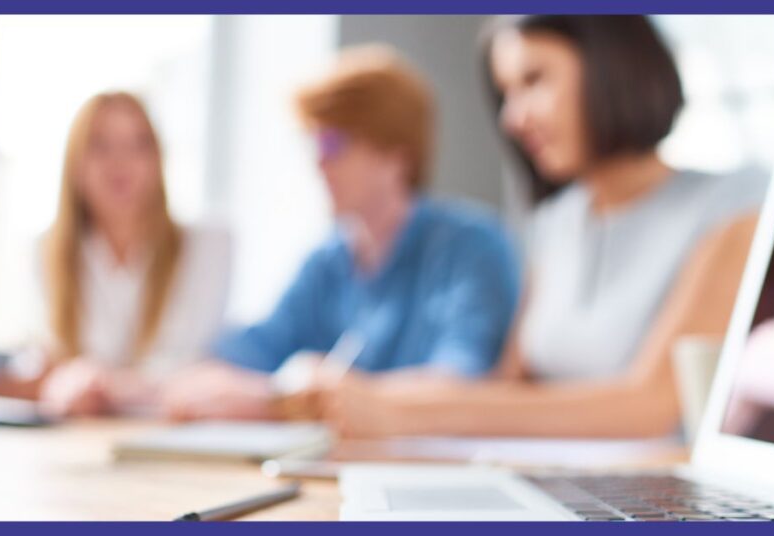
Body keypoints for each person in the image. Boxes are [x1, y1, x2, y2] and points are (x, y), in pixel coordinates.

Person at [325, 15, 768, 438]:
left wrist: (406, 412)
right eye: (505, 94)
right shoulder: (554, 224)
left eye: (534, 80)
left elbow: (650, 406)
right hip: (552, 480)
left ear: (611, 65)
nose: (511, 119)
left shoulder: (733, 203)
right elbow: (510, 387)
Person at [161, 45, 521, 421]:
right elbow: (244, 354)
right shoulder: (327, 263)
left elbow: (461, 385)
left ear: (395, 155)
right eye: (314, 142)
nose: (318, 161)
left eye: (334, 143)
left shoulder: (473, 249)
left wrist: (294, 395)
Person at [0, 92, 231, 418]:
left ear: (158, 159)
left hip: (172, 431)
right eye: (100, 145)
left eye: (137, 144)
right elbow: (42, 359)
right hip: (77, 434)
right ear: (75, 163)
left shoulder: (209, 246)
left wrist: (103, 384)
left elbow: (197, 366)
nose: (120, 162)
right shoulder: (46, 250)